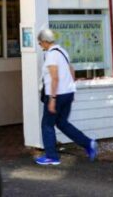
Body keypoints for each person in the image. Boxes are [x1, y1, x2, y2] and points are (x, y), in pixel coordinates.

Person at [35, 28, 98, 165]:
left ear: (45, 41)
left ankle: (51, 156)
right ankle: (88, 143)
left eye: (40, 43)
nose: (40, 46)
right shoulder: (62, 51)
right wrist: (71, 89)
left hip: (56, 95)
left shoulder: (51, 55)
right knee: (62, 123)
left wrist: (52, 99)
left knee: (47, 124)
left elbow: (54, 78)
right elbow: (71, 70)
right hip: (67, 93)